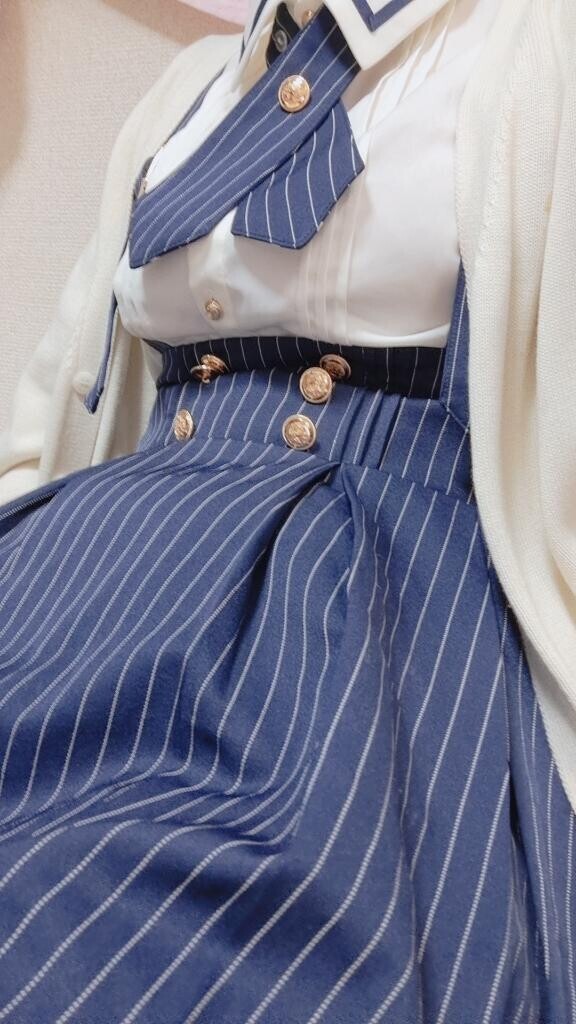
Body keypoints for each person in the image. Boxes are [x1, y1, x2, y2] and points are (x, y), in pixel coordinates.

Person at [0, 0, 574, 1020]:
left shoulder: (535, 47)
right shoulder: (189, 92)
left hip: (351, 632)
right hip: (86, 586)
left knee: (101, 925)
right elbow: (56, 401)